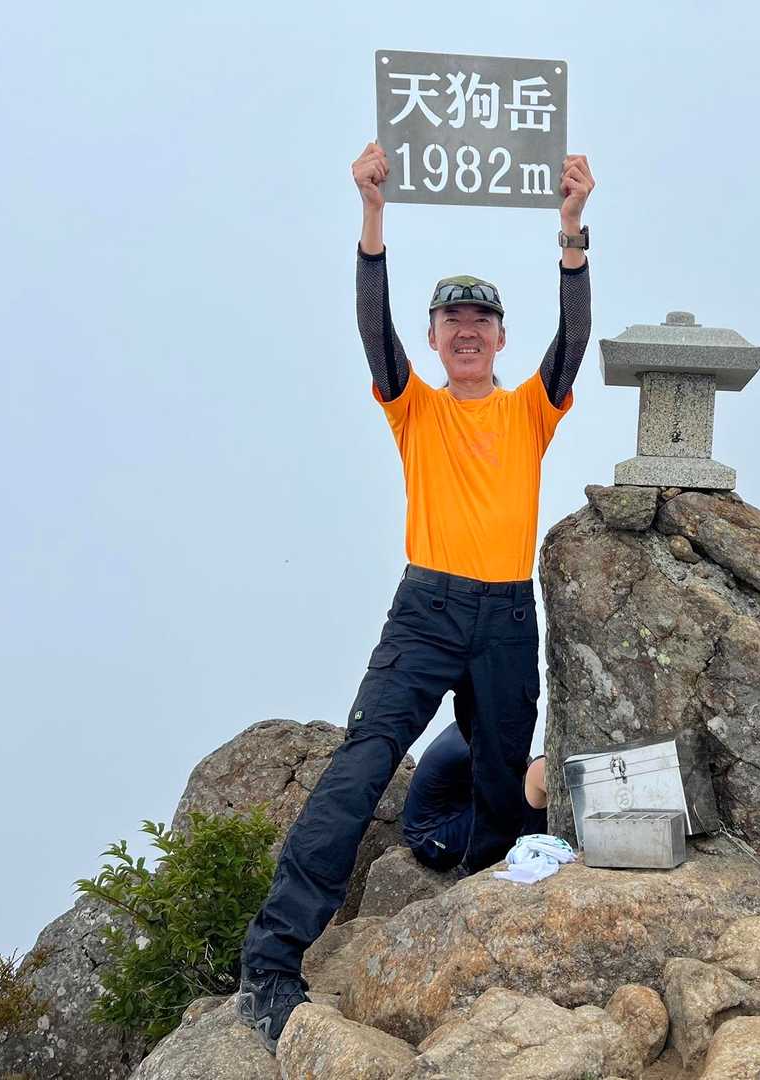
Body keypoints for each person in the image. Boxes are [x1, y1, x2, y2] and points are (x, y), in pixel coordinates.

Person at [235, 140, 594, 1054]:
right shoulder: (413, 405)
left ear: (500, 338)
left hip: (506, 616)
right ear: (434, 339)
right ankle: (270, 965)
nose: (466, 330)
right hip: (426, 609)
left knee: (503, 780)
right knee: (361, 766)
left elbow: (574, 339)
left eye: (481, 319)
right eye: (451, 319)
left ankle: (475, 909)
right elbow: (372, 329)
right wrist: (371, 215)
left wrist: (571, 232)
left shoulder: (531, 408)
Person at [404, 718, 548, 873]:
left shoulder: (472, 724)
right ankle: (531, 853)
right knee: (510, 801)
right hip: (431, 841)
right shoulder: (473, 746)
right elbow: (511, 783)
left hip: (452, 814)